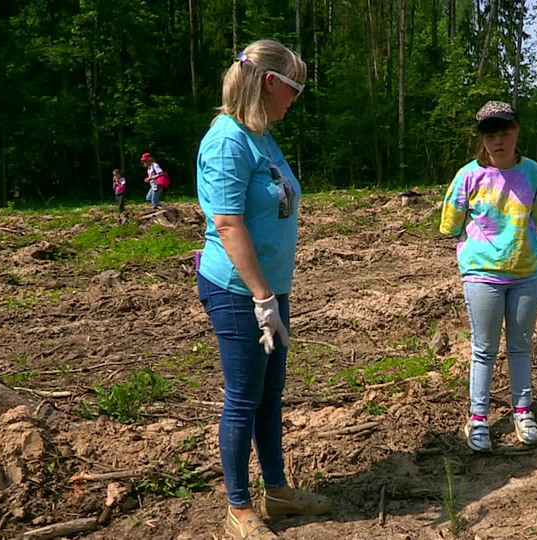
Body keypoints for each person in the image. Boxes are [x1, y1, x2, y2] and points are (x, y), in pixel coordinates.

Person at [195, 39, 328, 540]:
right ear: (271, 83)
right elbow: (227, 223)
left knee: (271, 394)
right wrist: (261, 298)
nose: (295, 100)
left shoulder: (260, 135)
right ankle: (237, 507)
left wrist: (272, 293)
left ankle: (276, 491)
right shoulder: (227, 139)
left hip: (268, 288)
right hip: (238, 291)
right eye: (294, 89)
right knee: (243, 396)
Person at [439, 100, 537, 453]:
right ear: (482, 139)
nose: (498, 141)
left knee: (521, 346)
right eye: (490, 135)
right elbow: (449, 224)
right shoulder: (468, 176)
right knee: (484, 350)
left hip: (526, 273)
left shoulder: (532, 173)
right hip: (482, 275)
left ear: (516, 133)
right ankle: (479, 418)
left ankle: (523, 411)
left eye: (504, 133)